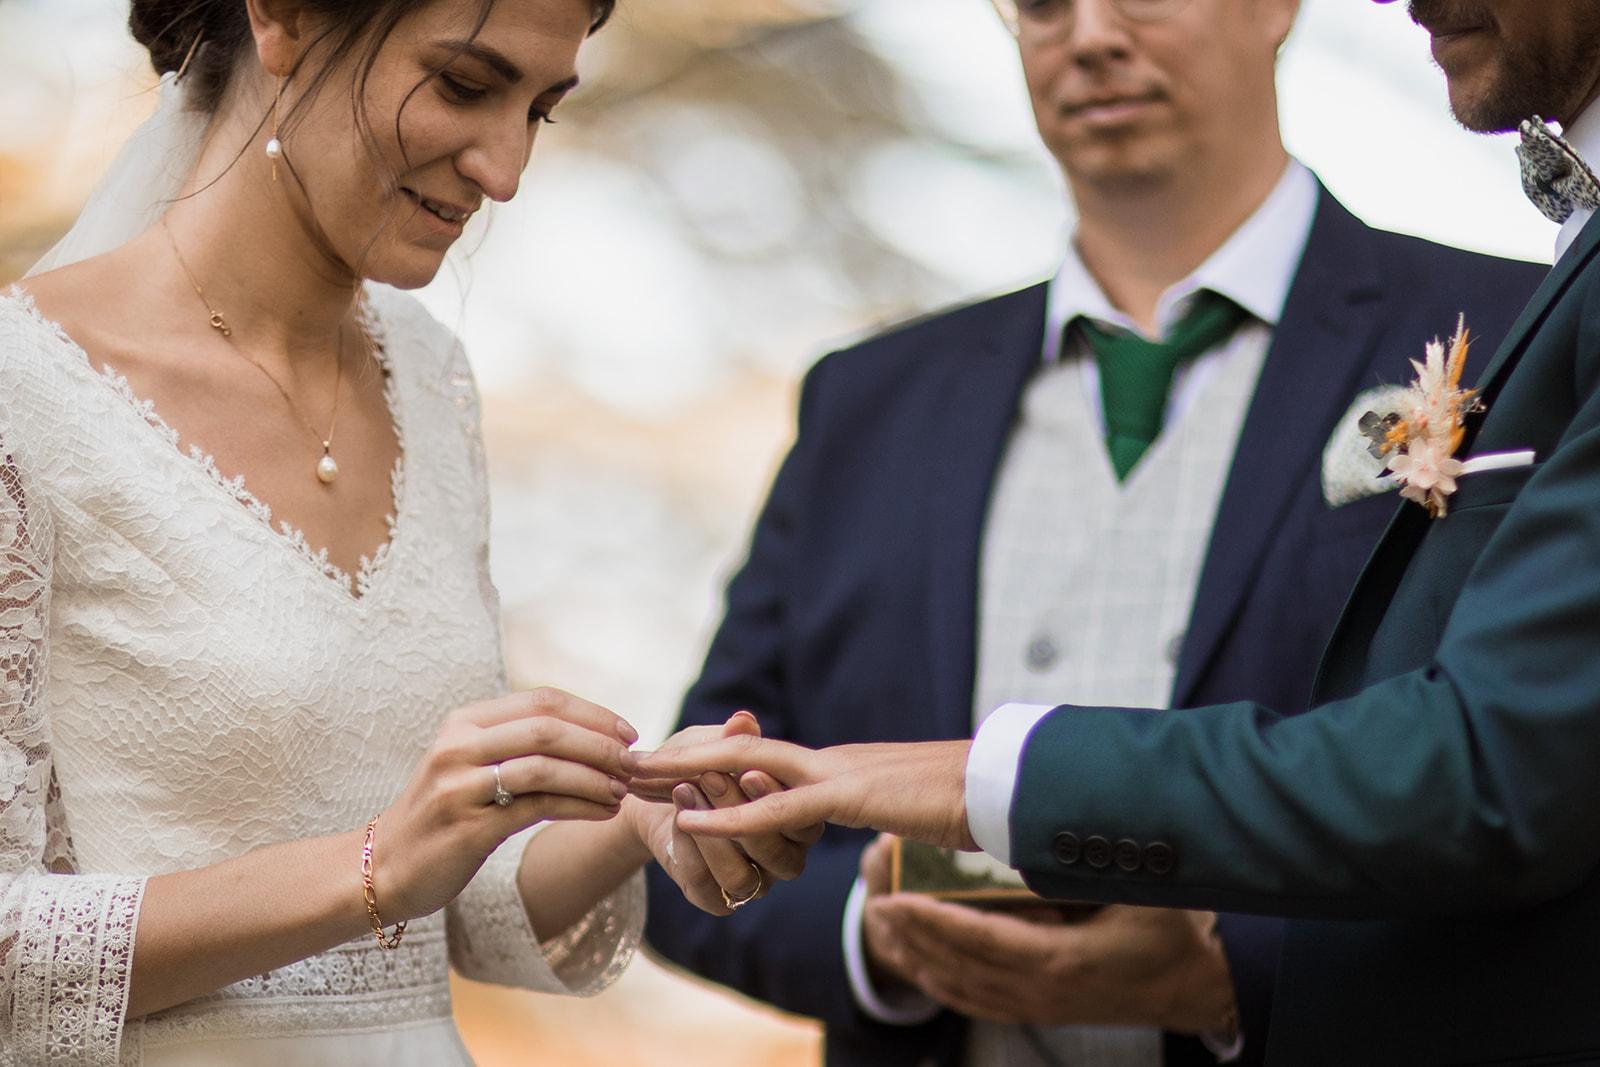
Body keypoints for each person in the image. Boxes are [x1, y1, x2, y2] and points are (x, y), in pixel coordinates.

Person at [639, 0, 1600, 1061]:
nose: (1090, 34)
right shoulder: (864, 403)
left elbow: (1530, 781)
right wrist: (871, 939)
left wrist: (1237, 971)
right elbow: (693, 812)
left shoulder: (1510, 322)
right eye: (1044, 3)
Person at [0, 1, 810, 1063]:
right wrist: (379, 860)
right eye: (468, 85)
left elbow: (452, 898)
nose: (507, 169)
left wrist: (641, 818)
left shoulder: (428, 378)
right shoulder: (25, 396)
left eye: (542, 111)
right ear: (282, 19)